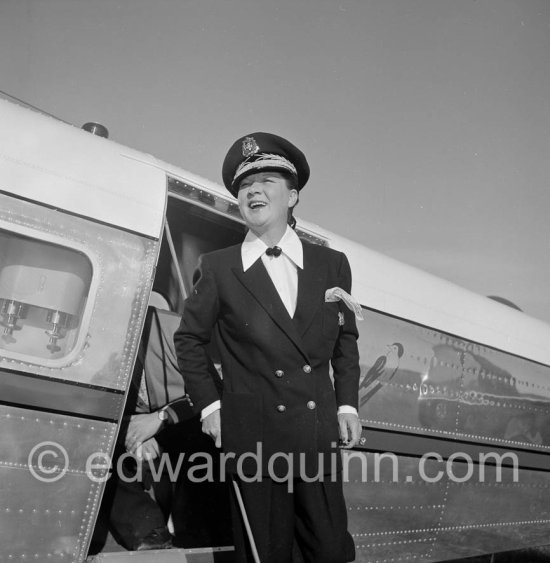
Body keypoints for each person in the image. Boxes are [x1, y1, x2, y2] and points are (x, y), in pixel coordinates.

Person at [174, 132, 362, 563]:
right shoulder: (219, 268)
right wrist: (209, 407)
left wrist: (347, 406)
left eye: (267, 181)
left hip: (316, 437)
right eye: (244, 185)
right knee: (265, 555)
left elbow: (344, 341)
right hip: (255, 439)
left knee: (330, 553)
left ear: (293, 196)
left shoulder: (331, 264)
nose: (253, 190)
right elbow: (188, 340)